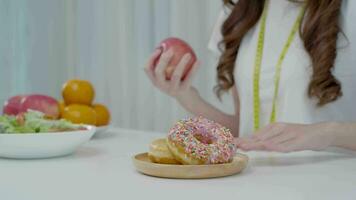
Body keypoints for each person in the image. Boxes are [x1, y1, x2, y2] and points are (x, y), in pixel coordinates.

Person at [144, 0, 356, 153]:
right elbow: (244, 131)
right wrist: (186, 96)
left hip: (327, 185)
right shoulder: (238, 12)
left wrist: (327, 133)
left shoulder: (349, 10)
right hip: (254, 182)